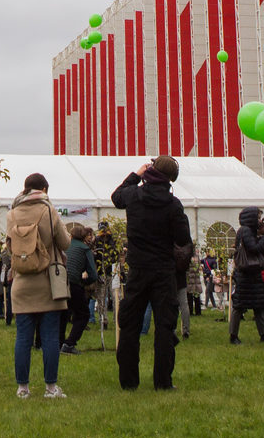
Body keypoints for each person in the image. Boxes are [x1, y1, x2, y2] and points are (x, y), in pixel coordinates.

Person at [110, 156, 191, 388]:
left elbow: (116, 197)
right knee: (165, 327)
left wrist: (136, 174)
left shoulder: (134, 195)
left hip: (138, 270)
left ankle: (128, 381)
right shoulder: (173, 204)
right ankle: (163, 382)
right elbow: (182, 239)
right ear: (172, 178)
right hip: (164, 272)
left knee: (129, 325)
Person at [6, 172, 72, 398]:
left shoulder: (12, 213)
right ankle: (50, 388)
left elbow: (9, 247)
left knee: (23, 338)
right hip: (47, 282)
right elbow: (64, 242)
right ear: (44, 189)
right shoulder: (48, 210)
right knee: (50, 337)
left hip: (22, 282)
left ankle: (22, 388)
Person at [229, 207, 264, 344]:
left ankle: (263, 334)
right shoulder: (246, 230)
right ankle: (234, 336)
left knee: (258, 305)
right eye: (257, 217)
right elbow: (254, 248)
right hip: (247, 274)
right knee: (239, 306)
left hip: (250, 273)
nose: (259, 220)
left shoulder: (246, 231)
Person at [61, 223, 98, 352]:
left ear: (71, 235)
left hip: (59, 283)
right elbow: (93, 274)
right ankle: (69, 344)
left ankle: (57, 343)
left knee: (62, 314)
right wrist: (85, 283)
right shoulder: (85, 249)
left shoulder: (65, 247)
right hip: (74, 283)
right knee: (83, 314)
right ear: (85, 236)